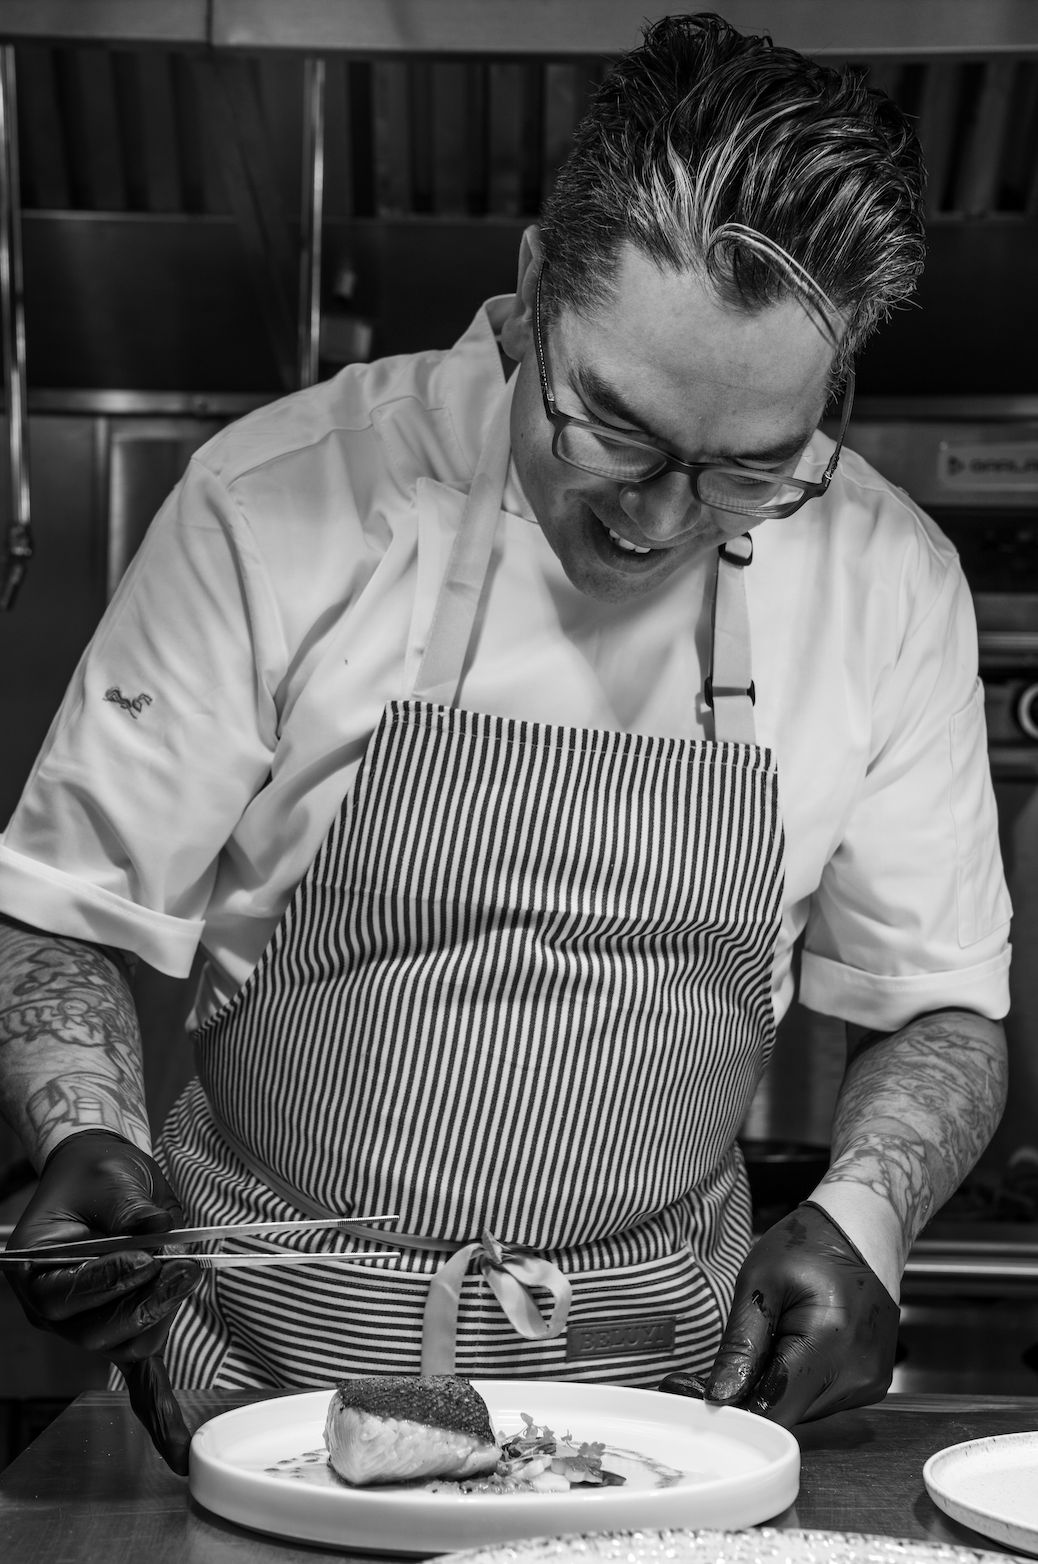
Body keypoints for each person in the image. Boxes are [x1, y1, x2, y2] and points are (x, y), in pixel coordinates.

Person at [0, 13, 1010, 1473]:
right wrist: (85, 1129)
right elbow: (61, 917)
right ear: (534, 293)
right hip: (261, 1392)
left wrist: (866, 1217)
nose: (657, 518)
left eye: (745, 472)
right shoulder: (278, 500)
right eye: (613, 430)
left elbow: (937, 1008)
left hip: (667, 1420)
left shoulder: (887, 580)